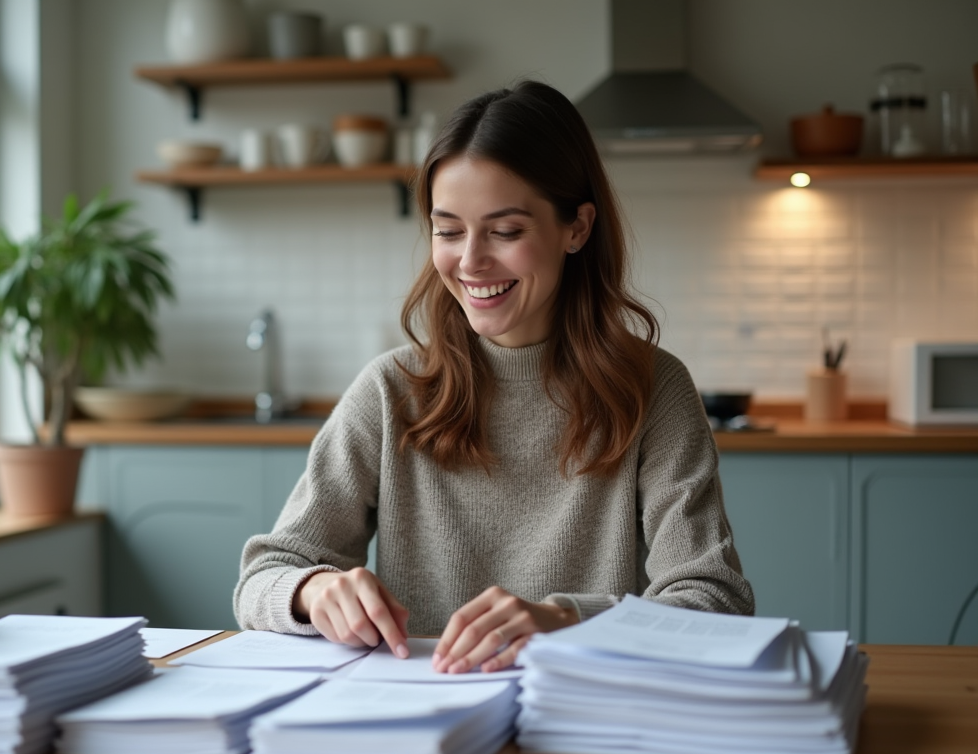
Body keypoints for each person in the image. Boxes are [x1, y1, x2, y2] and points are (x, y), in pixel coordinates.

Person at [233, 80, 754, 675]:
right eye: (448, 230)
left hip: (587, 716)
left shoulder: (653, 388)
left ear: (577, 228)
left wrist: (568, 619)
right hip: (421, 719)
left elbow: (716, 600)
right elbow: (263, 577)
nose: (470, 260)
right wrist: (314, 591)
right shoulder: (390, 390)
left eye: (505, 232)